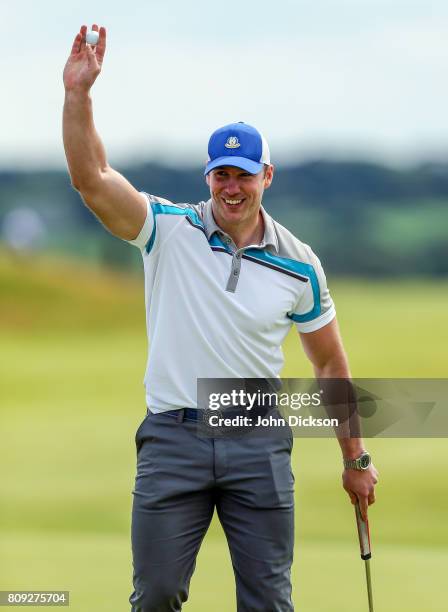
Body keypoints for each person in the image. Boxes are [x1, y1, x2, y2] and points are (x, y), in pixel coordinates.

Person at [63, 24, 379, 612]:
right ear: (208, 176)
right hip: (173, 437)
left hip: (258, 441)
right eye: (221, 174)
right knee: (155, 595)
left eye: (243, 174)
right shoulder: (167, 229)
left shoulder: (300, 266)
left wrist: (354, 459)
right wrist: (78, 96)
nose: (231, 187)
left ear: (267, 175)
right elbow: (93, 180)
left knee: (267, 600)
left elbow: (331, 361)